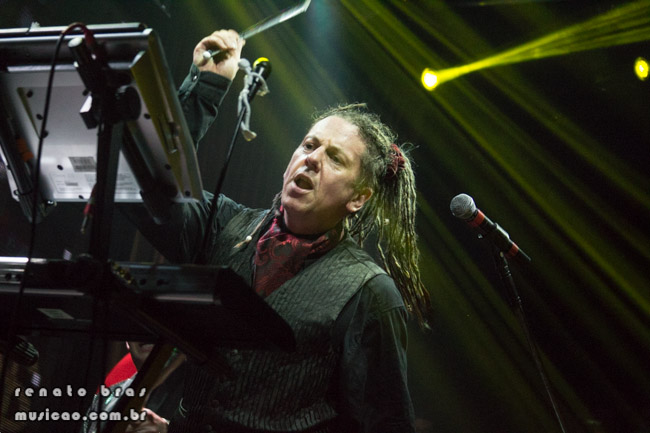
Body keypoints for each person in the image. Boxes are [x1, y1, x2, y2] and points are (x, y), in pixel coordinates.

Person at [125, 29, 432, 433]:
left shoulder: (369, 293)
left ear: (359, 197)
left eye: (335, 158)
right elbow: (145, 187)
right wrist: (205, 87)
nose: (312, 159)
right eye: (308, 145)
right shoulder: (224, 225)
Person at [81, 342, 185, 433]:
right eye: (141, 329)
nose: (148, 335)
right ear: (127, 343)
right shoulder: (103, 399)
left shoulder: (192, 388)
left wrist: (166, 429)